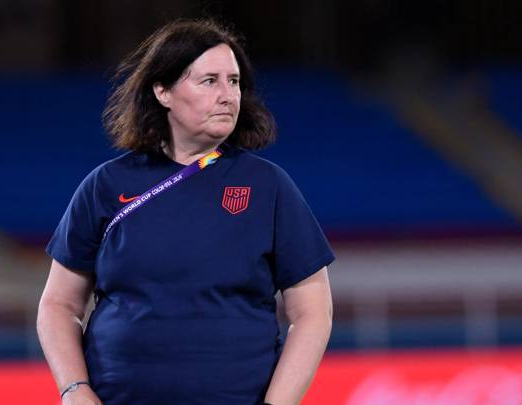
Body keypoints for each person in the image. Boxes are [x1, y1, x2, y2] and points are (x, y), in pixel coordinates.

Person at [36, 19, 334, 405]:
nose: (228, 95)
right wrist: (74, 389)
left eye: (235, 81)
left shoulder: (269, 186)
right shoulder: (105, 186)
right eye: (210, 81)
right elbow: (58, 304)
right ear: (162, 91)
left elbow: (313, 311)